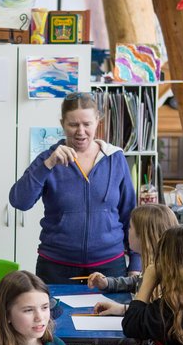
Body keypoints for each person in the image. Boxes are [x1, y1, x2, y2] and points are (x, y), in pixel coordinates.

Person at [9, 92, 139, 285]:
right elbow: (19, 201)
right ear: (62, 124)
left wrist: (136, 263)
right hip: (56, 267)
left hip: (109, 266)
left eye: (87, 124)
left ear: (97, 121)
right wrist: (48, 165)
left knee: (112, 315)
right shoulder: (48, 159)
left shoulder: (115, 158)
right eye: (73, 124)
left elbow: (130, 214)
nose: (80, 131)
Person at [86, 203, 178, 293]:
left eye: (130, 227)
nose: (127, 231)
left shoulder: (169, 278)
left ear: (143, 236)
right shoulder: (160, 266)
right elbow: (139, 282)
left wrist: (124, 308)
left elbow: (150, 307)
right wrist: (107, 283)